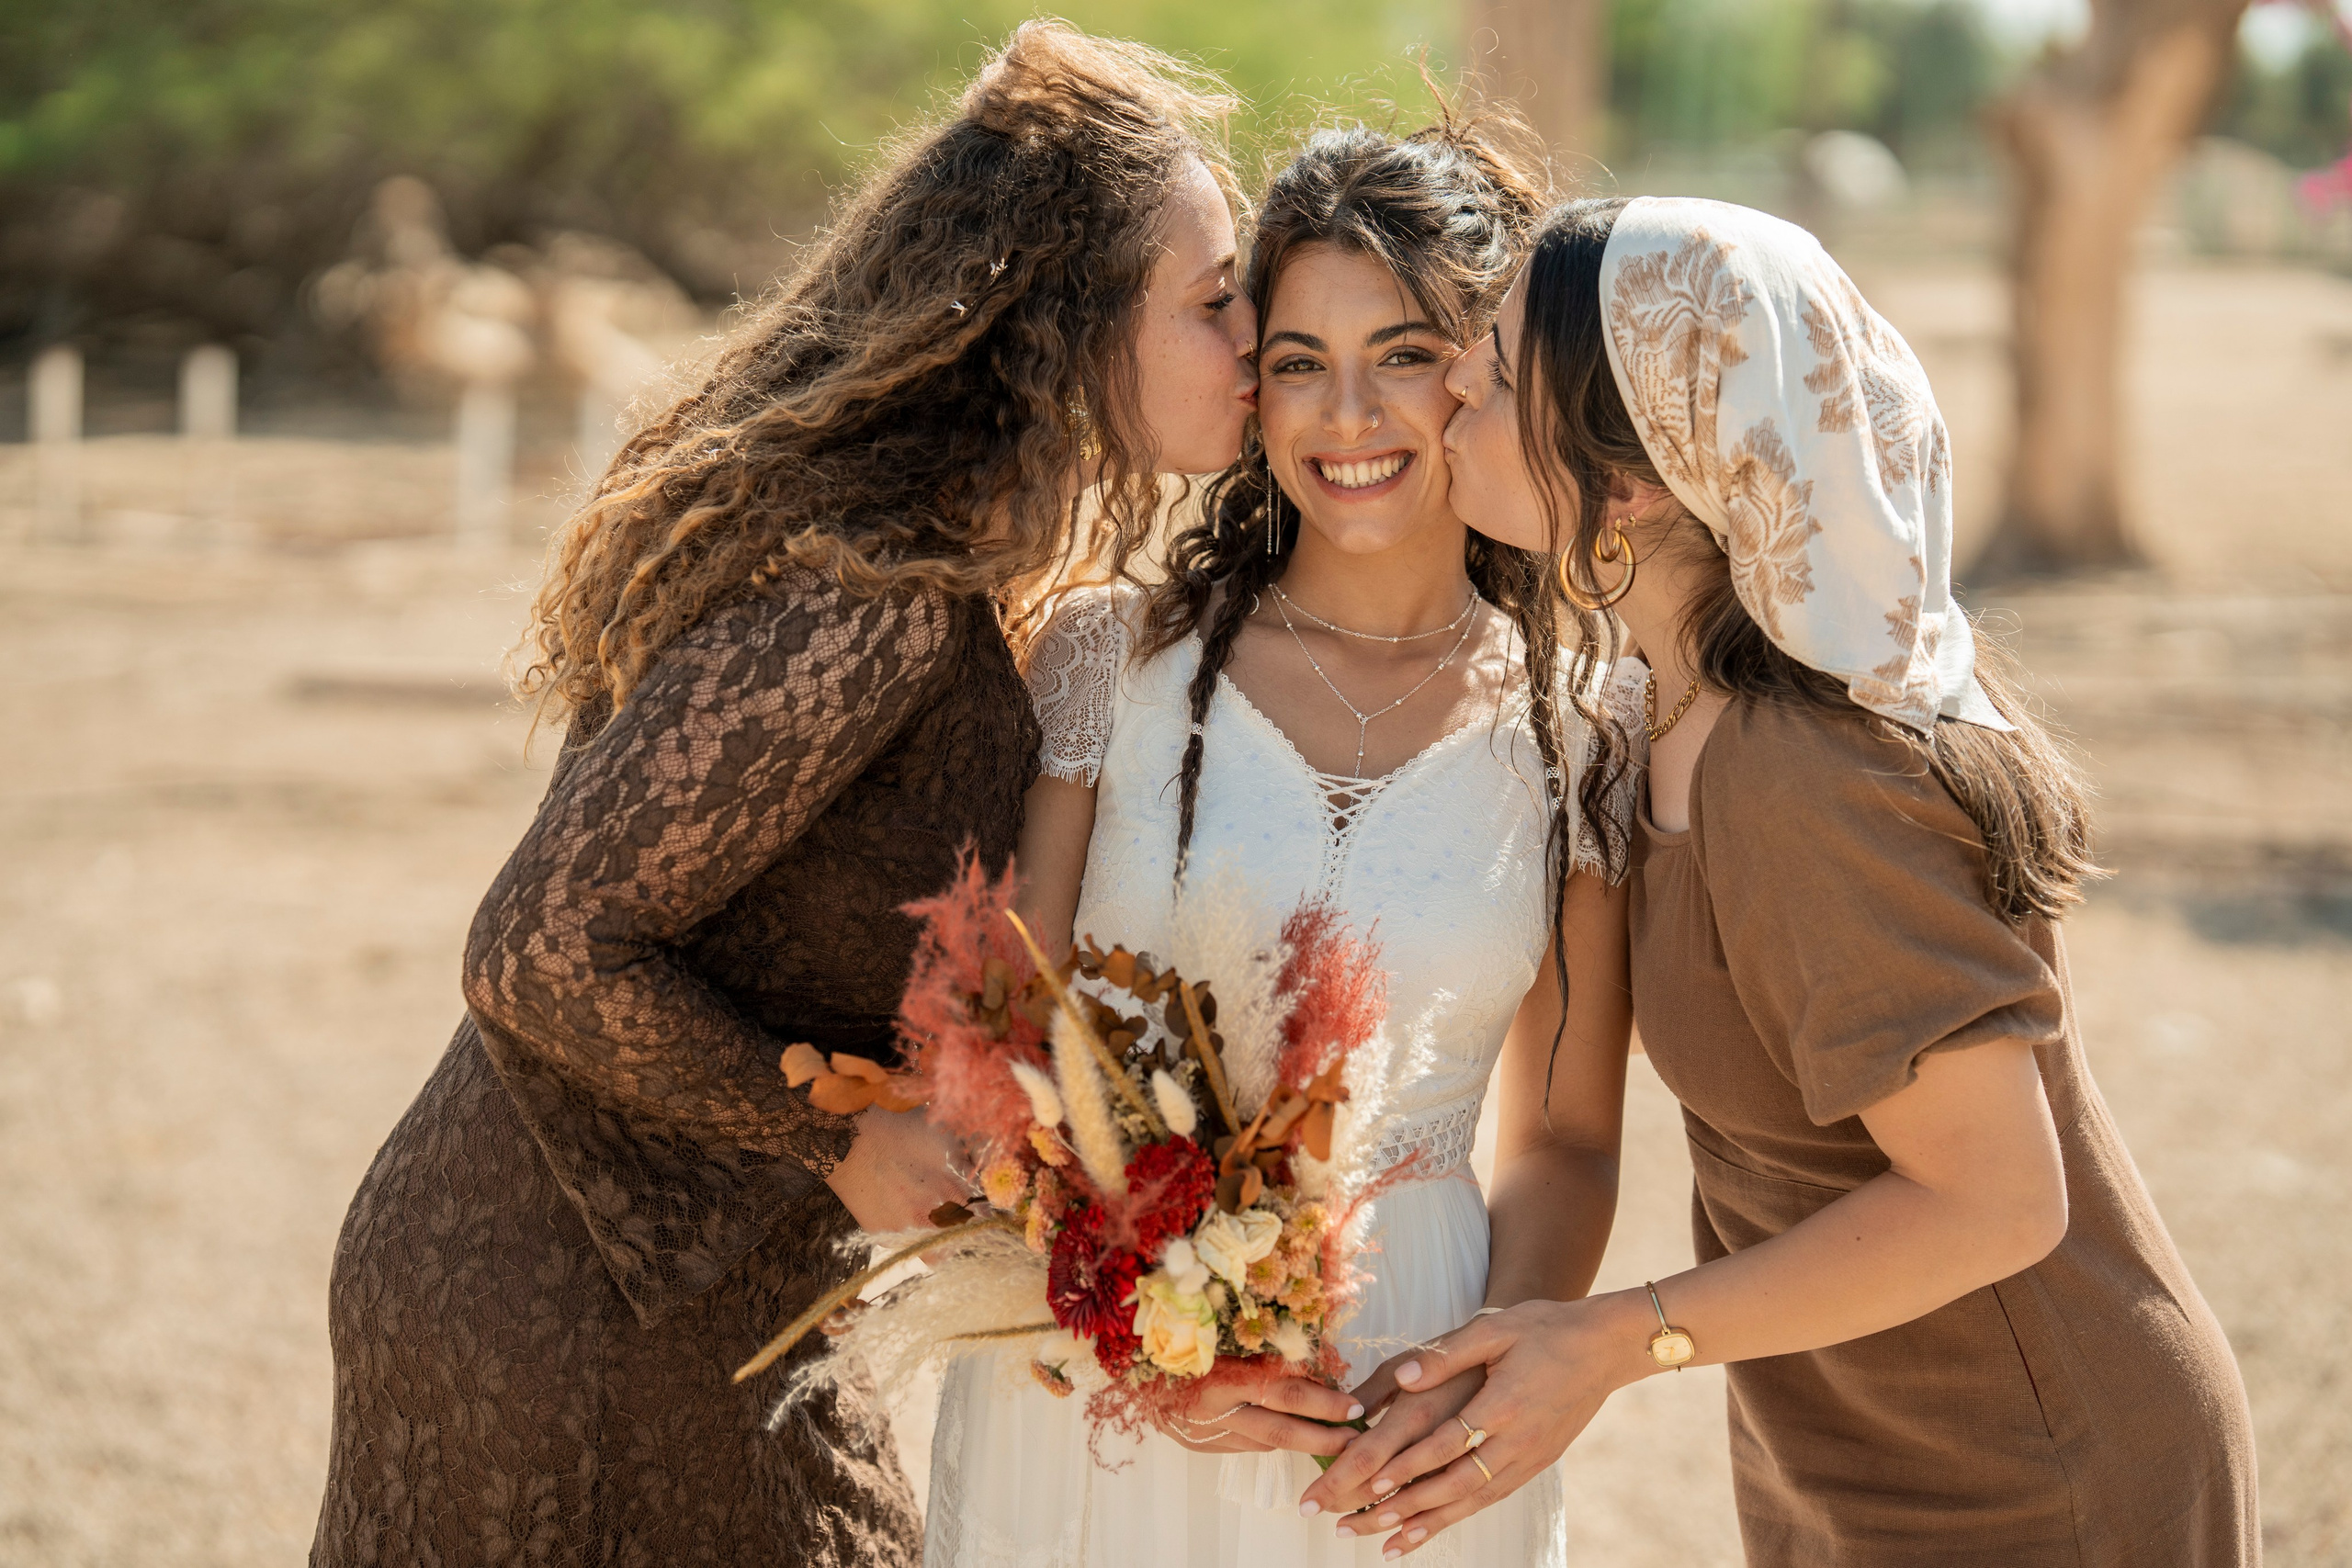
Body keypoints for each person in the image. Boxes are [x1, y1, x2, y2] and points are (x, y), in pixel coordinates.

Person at [308, 24, 1261, 1567]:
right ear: (1064, 322)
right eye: (1214, 298)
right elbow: (536, 947)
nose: (1251, 328)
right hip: (555, 1295)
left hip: (728, 1287)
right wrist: (825, 1142)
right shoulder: (866, 596)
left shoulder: (967, 562)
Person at [1301, 195, 2260, 1564]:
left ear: (1628, 484)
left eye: (1498, 370)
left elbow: (1999, 1197)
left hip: (2035, 1475)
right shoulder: (1658, 714)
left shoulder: (1801, 771)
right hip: (1854, 1447)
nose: (1453, 377)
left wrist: (1616, 1340)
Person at [924, 122, 1642, 1568]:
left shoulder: (1588, 721)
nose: (1348, 415)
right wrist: (1142, 1339)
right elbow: (1001, 1054)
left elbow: (1565, 1134)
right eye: (1300, 360)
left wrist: (1481, 1389)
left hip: (1408, 1398)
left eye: (1406, 353)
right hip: (1097, 1386)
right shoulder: (1111, 665)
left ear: (1491, 374)